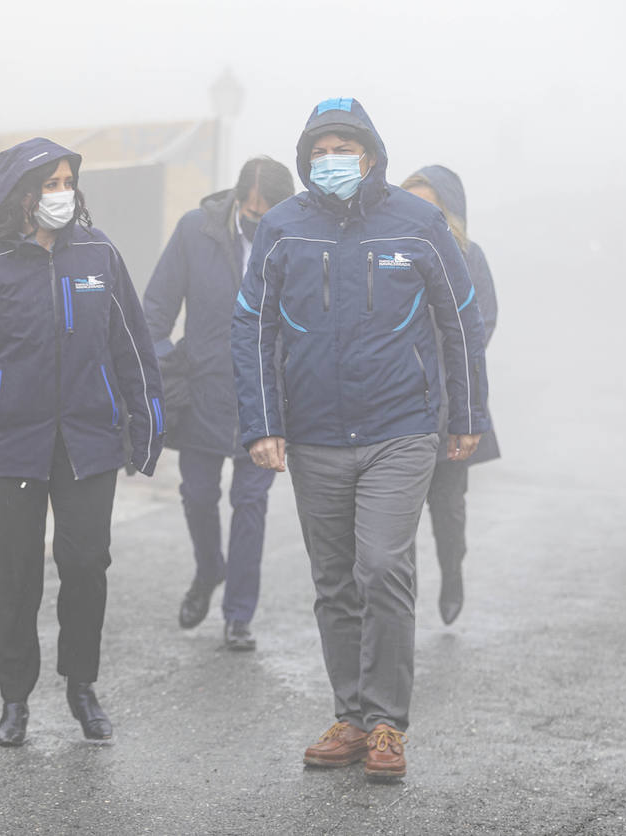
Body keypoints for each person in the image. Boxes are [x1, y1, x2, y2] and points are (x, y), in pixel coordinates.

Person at [232, 98, 490, 782]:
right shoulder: (283, 229)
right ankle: (349, 715)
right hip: (314, 433)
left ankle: (386, 725)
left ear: (371, 154)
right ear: (304, 158)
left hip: (401, 428)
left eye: (344, 146)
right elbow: (252, 326)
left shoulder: (419, 223)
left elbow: (460, 319)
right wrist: (262, 423)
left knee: (382, 565)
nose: (331, 159)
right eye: (320, 148)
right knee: (335, 579)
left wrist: (467, 414)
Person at [0, 137, 165, 748]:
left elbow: (132, 346)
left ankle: (81, 685)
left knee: (86, 566)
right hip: (8, 449)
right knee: (14, 577)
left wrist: (145, 426)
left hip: (89, 441)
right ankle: (14, 698)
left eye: (67, 183)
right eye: (49, 185)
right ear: (19, 197)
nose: (62, 195)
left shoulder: (100, 256)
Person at [143, 157, 296, 651]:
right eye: (249, 206)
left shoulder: (295, 245)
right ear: (236, 199)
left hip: (265, 400)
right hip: (202, 394)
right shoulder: (196, 231)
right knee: (198, 494)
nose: (255, 215)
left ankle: (238, 615)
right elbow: (155, 313)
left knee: (250, 503)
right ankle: (209, 569)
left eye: (265, 209)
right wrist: (171, 369)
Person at [399, 166, 500, 626]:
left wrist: (445, 359)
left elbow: (483, 320)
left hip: (449, 404)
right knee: (396, 519)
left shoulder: (468, 255)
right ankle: (401, 609)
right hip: (398, 406)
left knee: (447, 508)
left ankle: (452, 570)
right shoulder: (391, 255)